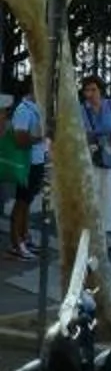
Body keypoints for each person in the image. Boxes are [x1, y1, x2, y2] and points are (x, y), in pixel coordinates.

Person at [77, 75, 111, 244]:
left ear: (100, 90)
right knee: (92, 193)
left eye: (93, 90)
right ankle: (89, 231)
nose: (90, 94)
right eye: (87, 90)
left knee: (109, 194)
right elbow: (81, 131)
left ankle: (105, 232)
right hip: (91, 154)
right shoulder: (82, 109)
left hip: (109, 152)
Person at [5, 80, 44, 258]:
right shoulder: (23, 110)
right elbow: (20, 140)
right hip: (27, 162)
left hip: (36, 161)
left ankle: (24, 237)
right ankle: (16, 243)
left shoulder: (37, 108)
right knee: (21, 202)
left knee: (27, 201)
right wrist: (42, 135)